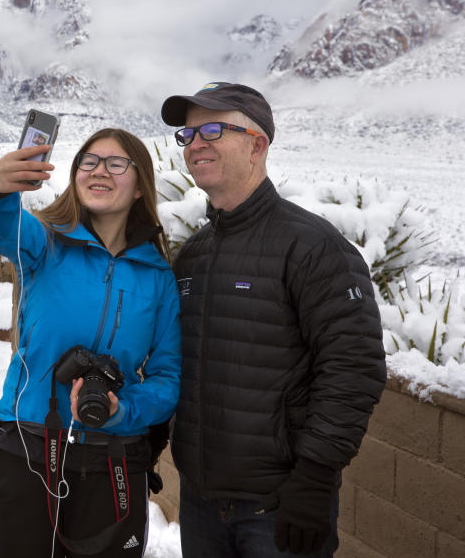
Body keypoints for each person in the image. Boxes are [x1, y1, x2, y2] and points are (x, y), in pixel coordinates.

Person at [160, 82, 386, 557]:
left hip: (279, 508)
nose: (195, 143)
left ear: (257, 144)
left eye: (213, 130)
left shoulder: (313, 246)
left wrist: (315, 478)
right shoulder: (194, 256)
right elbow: (180, 365)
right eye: (189, 134)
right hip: (202, 505)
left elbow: (354, 366)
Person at [0, 128, 182, 557]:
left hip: (114, 461)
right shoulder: (44, 243)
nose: (99, 171)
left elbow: (168, 378)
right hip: (28, 451)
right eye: (88, 162)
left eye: (115, 163)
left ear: (141, 185)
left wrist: (121, 411)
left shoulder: (158, 276)